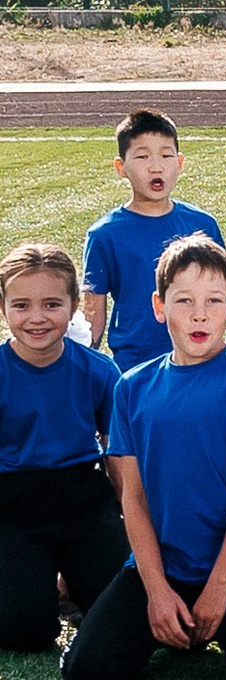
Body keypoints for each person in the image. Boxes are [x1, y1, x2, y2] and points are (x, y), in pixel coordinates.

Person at [60, 235, 226, 680]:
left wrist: (219, 586)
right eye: (184, 300)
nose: (199, 314)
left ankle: (223, 617)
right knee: (86, 671)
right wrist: (155, 589)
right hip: (161, 564)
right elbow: (131, 497)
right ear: (159, 306)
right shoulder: (132, 386)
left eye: (214, 300)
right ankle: (169, 618)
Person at [0, 243, 127, 653]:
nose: (37, 318)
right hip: (14, 506)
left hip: (84, 502)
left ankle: (72, 579)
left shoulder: (99, 370)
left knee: (120, 613)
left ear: (74, 305)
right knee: (25, 632)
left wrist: (131, 519)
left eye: (52, 304)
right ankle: (35, 580)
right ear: (3, 308)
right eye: (21, 305)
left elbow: (119, 454)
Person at [80, 106, 223, 369]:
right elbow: (93, 315)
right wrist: (80, 367)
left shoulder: (203, 225)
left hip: (201, 358)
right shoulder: (104, 234)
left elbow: (221, 295)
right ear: (120, 167)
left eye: (166, 155)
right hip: (135, 363)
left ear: (179, 163)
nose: (156, 167)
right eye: (142, 157)